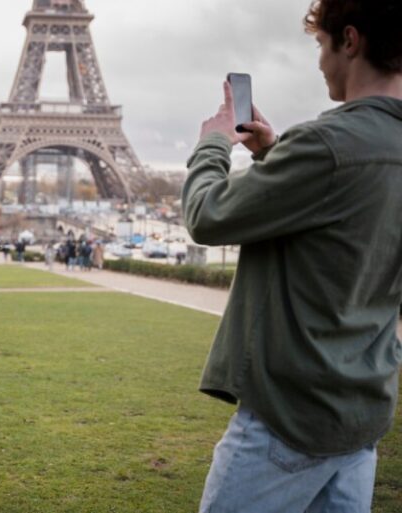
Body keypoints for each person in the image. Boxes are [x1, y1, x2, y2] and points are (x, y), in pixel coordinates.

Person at [182, 1, 402, 512]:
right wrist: (274, 155)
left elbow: (206, 215)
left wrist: (213, 145)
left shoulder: (327, 144)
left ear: (350, 40)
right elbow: (350, 225)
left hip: (289, 417)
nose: (320, 62)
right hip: (361, 414)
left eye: (322, 45)